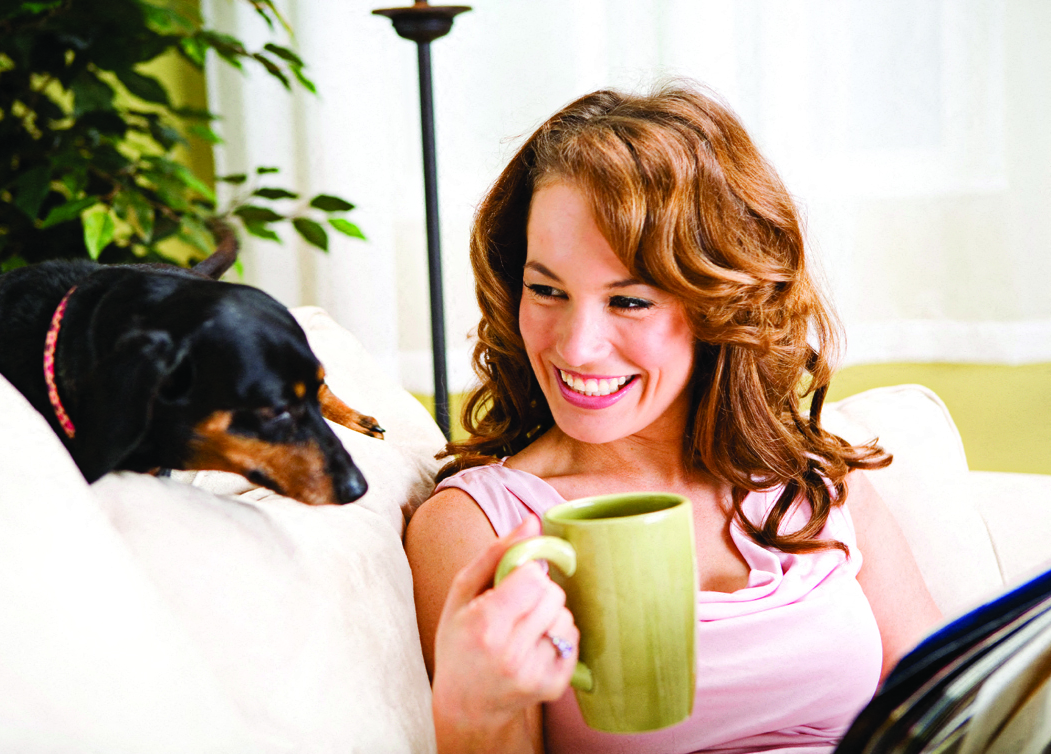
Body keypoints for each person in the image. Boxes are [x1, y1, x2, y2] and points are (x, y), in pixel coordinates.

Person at [404, 81, 942, 754]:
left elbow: (952, 710)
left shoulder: (813, 482)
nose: (576, 346)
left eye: (629, 301)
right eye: (546, 290)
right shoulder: (482, 525)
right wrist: (470, 710)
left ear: (720, 302)